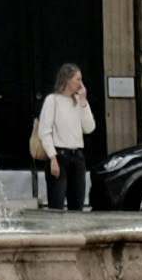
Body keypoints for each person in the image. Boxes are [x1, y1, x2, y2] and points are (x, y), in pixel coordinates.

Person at [35, 64, 97, 211]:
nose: (81, 84)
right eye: (77, 80)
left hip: (78, 156)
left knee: (77, 203)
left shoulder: (79, 102)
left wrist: (83, 103)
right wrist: (53, 159)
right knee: (56, 203)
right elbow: (45, 131)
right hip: (59, 156)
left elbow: (89, 128)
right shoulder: (53, 100)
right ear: (67, 80)